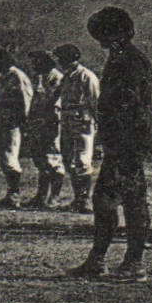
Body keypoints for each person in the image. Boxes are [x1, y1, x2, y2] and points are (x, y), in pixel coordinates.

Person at [66, 7, 152, 281]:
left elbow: (133, 104)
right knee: (109, 199)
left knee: (127, 200)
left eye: (103, 34)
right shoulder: (122, 58)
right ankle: (101, 259)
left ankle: (131, 263)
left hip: (128, 141)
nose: (100, 41)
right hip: (121, 140)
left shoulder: (130, 61)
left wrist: (126, 140)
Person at [54, 44, 100, 212]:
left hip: (83, 122)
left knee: (82, 160)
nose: (59, 62)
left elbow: (95, 102)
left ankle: (84, 199)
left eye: (62, 58)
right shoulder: (66, 77)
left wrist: (99, 125)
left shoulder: (86, 76)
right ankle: (77, 198)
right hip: (66, 121)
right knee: (67, 159)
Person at [0, 48, 34, 207]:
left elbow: (25, 100)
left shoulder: (17, 76)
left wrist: (24, 122)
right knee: (2, 157)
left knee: (10, 157)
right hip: (1, 122)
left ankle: (14, 194)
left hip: (13, 123)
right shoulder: (1, 79)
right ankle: (9, 192)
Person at [23, 50, 65, 209]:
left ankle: (54, 197)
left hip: (51, 123)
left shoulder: (57, 78)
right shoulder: (40, 78)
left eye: (37, 62)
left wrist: (50, 122)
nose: (34, 66)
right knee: (41, 160)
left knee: (53, 159)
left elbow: (55, 103)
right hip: (38, 123)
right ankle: (41, 196)